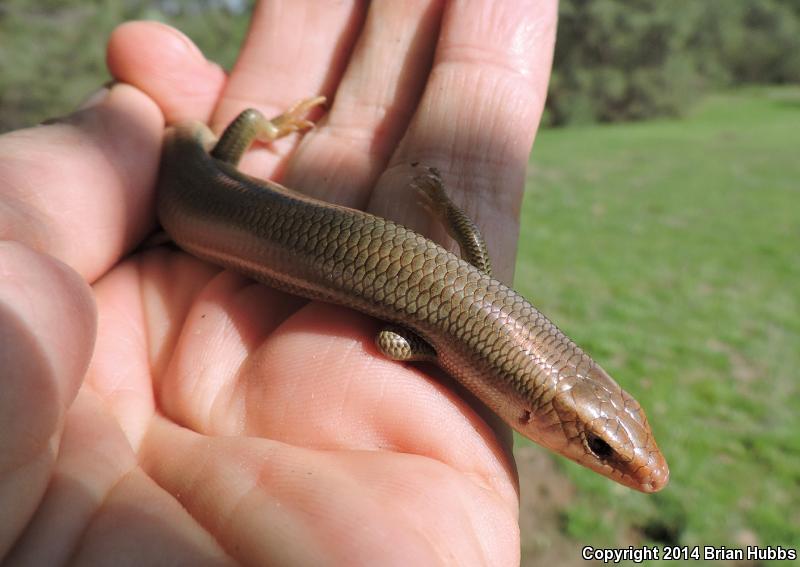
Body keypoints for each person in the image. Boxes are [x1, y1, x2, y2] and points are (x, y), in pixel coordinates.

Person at [0, 2, 556, 564]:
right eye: (596, 449)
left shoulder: (468, 307)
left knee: (214, 151)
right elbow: (392, 340)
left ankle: (236, 139)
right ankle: (233, 135)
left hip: (199, 204)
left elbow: (416, 313)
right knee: (205, 144)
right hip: (196, 198)